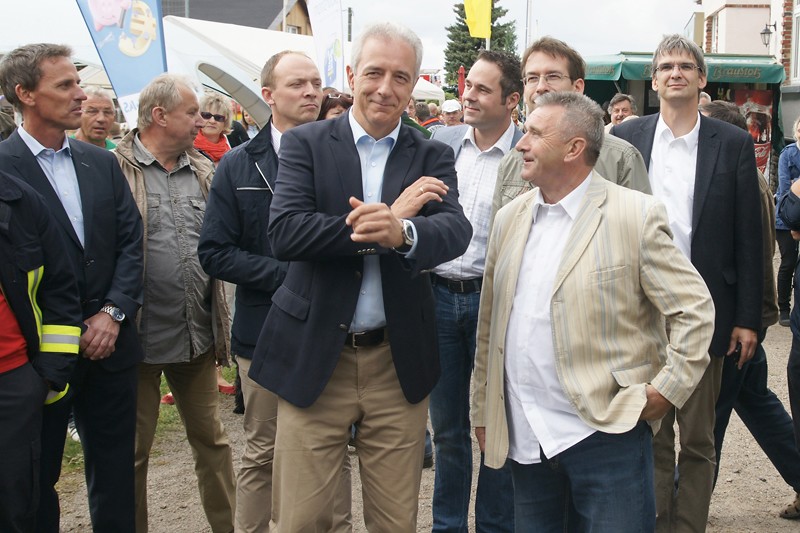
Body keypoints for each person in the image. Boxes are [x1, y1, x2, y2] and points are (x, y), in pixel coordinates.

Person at [247, 22, 472, 531]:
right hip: (315, 357)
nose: (385, 88)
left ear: (413, 86)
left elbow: (455, 231)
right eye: (374, 73)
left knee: (395, 522)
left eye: (400, 77)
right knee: (302, 521)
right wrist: (386, 222)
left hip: (397, 361)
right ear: (352, 76)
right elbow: (285, 233)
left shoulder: (432, 153)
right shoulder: (305, 143)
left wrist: (404, 233)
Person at [473, 90, 714, 533]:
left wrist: (668, 389)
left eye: (534, 134)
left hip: (607, 433)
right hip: (526, 435)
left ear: (574, 148)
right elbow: (490, 326)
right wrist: (483, 411)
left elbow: (694, 308)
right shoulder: (510, 219)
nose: (521, 144)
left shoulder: (634, 215)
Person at [610, 34, 763, 533]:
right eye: (666, 66)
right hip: (641, 309)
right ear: (654, 81)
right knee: (650, 434)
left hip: (705, 311)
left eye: (685, 65)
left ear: (701, 78)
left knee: (698, 439)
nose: (675, 72)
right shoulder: (626, 137)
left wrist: (747, 318)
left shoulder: (733, 144)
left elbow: (749, 235)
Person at [199, 49, 352, 533]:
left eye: (316, 83)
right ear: (268, 95)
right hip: (264, 328)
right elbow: (214, 252)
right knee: (264, 450)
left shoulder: (345, 158)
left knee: (331, 450)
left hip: (330, 328)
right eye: (297, 84)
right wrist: (286, 275)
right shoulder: (239, 165)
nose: (311, 92)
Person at [0, 43, 144, 533]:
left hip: (111, 345)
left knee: (115, 473)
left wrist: (113, 313)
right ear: (25, 93)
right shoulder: (3, 168)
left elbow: (131, 242)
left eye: (78, 83)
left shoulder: (99, 162)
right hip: (40, 358)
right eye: (65, 85)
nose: (81, 95)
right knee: (35, 480)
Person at [114, 74, 236, 533]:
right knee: (132, 453)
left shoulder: (204, 171)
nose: (201, 121)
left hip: (196, 337)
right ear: (160, 116)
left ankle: (230, 528)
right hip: (134, 342)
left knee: (213, 442)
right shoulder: (113, 170)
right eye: (192, 113)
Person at [428, 49, 522, 533]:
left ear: (512, 100)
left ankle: (493, 526)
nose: (469, 95)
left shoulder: (528, 151)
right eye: (468, 86)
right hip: (439, 296)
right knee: (447, 428)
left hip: (498, 301)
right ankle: (447, 525)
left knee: (496, 427)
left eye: (483, 89)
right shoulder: (441, 142)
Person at [701, 100, 800, 519]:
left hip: (738, 322)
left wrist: (748, 320)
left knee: (710, 420)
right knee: (756, 404)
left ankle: (687, 502)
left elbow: (754, 254)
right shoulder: (741, 174)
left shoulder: (742, 178)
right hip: (745, 318)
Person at [0, 170, 83, 532]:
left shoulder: (19, 201)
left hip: (13, 383)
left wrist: (47, 374)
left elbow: (60, 288)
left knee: (20, 506)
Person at [492, 36, 651, 223]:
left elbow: (640, 232)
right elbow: (499, 237)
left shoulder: (621, 159)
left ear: (578, 87)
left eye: (552, 76)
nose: (541, 87)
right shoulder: (511, 163)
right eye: (532, 78)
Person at [776, 117, 800, 327]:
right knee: (788, 262)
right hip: (785, 218)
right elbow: (785, 189)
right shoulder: (788, 154)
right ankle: (783, 307)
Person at [194, 91, 233, 165]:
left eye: (218, 117)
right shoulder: (186, 148)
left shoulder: (230, 154)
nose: (212, 121)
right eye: (206, 115)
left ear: (225, 122)